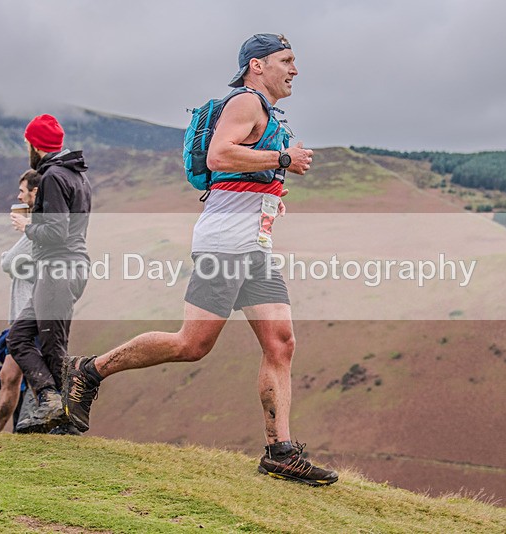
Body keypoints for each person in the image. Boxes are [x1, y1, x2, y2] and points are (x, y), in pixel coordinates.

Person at [62, 34, 338, 486]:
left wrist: (273, 182)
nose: (295, 69)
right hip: (226, 244)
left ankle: (280, 450)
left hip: (254, 246)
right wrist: (284, 157)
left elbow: (240, 169)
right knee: (192, 345)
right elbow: (219, 154)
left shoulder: (267, 112)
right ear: (256, 65)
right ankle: (90, 370)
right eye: (286, 60)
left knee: (281, 342)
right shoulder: (246, 103)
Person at [7, 114, 92, 435]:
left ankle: (64, 419)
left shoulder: (54, 176)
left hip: (59, 266)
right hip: (65, 267)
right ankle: (51, 402)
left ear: (34, 144)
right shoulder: (76, 175)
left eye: (27, 143)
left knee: (53, 344)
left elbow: (56, 232)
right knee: (20, 337)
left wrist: (28, 226)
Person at [0, 170, 40, 433]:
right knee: (13, 377)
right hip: (25, 316)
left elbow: (8, 262)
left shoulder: (36, 232)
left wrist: (25, 229)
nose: (18, 196)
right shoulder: (38, 230)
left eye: (22, 191)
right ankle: (9, 432)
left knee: (15, 377)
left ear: (34, 193)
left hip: (28, 317)